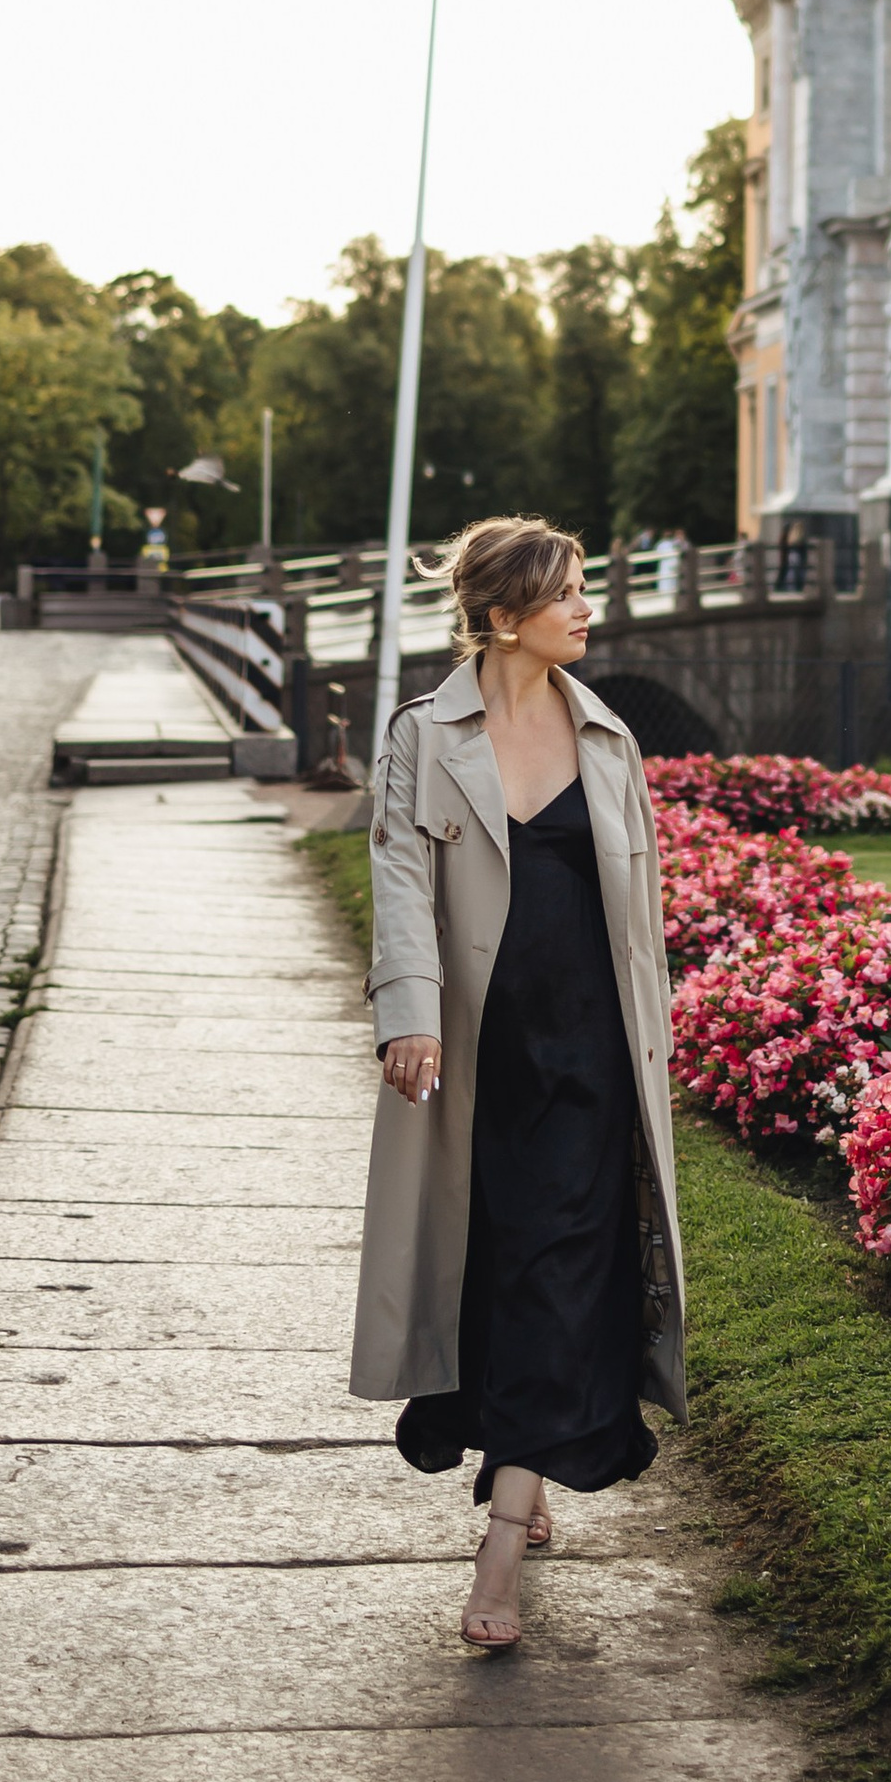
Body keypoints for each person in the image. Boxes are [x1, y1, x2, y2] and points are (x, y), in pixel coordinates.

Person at [349, 515, 685, 1652]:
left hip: (592, 1057)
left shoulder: (608, 737)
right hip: (480, 1052)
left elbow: (640, 922)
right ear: (501, 616)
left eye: (585, 587)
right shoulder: (422, 735)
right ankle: (524, 1475)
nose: (587, 608)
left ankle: (499, 1540)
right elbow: (399, 874)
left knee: (560, 1265)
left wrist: (656, 1046)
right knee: (495, 1260)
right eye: (566, 593)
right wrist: (408, 1014)